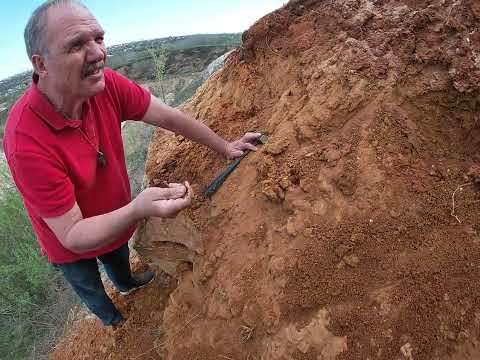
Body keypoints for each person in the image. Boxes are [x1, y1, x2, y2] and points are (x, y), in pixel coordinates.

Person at [3, 0, 260, 327]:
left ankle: (126, 285)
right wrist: (137, 209)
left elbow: (169, 117)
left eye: (98, 38)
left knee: (118, 260)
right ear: (41, 64)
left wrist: (224, 146)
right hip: (68, 242)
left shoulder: (104, 85)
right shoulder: (26, 140)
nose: (97, 53)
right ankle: (114, 323)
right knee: (89, 286)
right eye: (76, 44)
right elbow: (72, 234)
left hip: (114, 215)